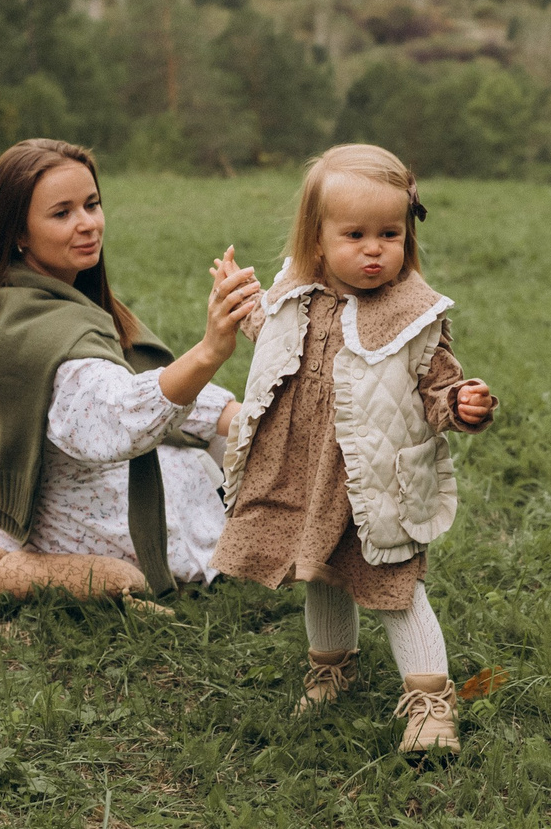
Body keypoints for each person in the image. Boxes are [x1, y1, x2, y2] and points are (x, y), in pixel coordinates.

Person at [212, 143, 496, 755]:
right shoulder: (296, 291)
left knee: (393, 582)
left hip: (373, 478)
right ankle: (331, 666)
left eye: (389, 233)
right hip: (304, 468)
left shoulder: (412, 314)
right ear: (317, 241)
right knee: (318, 569)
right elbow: (274, 340)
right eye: (356, 234)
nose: (374, 248)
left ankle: (430, 700)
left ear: (407, 236)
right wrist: (243, 305)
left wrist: (462, 402)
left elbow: (439, 384)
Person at [0, 138, 259, 590]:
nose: (88, 224)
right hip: (67, 526)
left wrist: (244, 419)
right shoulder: (40, 332)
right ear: (18, 233)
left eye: (91, 205)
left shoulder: (34, 298)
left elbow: (133, 382)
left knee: (236, 440)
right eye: (62, 214)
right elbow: (120, 420)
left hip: (72, 489)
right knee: (214, 494)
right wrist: (210, 350)